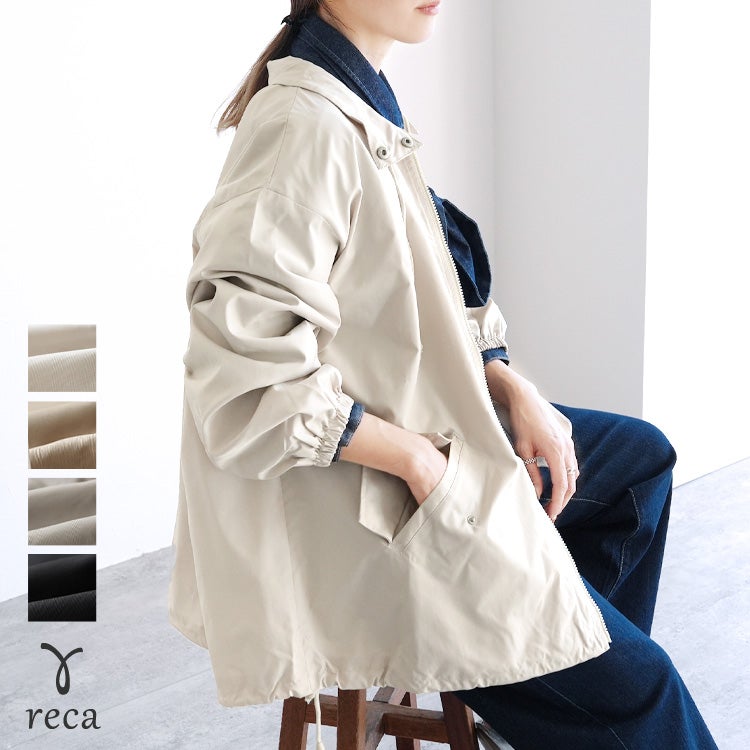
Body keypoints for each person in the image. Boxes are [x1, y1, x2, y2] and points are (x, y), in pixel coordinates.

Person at [168, 2, 719, 748]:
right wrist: (420, 463)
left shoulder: (355, 96)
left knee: (637, 463)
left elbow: (425, 282)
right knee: (645, 691)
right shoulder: (304, 129)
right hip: (366, 499)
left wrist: (509, 384)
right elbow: (243, 381)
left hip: (428, 427)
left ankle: (553, 692)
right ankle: (554, 681)